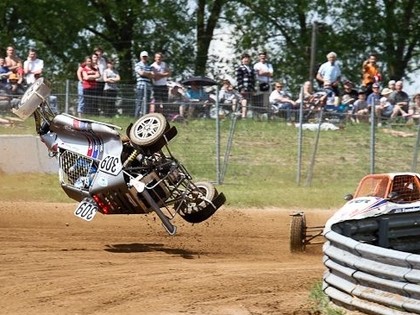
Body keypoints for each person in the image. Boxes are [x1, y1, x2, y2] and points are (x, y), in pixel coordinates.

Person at [134, 51, 154, 117]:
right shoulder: (137, 65)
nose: (144, 58)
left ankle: (146, 117)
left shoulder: (149, 66)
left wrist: (145, 73)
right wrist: (148, 73)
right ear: (141, 57)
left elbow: (152, 75)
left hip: (148, 86)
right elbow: (141, 73)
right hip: (140, 86)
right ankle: (136, 117)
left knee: (147, 102)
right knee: (139, 102)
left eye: (145, 57)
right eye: (143, 57)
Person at [236, 53, 256, 118]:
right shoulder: (240, 68)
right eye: (244, 58)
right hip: (243, 88)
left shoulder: (251, 69)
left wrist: (253, 89)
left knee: (247, 102)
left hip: (250, 88)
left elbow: (253, 80)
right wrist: (241, 88)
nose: (246, 60)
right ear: (242, 60)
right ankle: (243, 116)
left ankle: (243, 115)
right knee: (244, 100)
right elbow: (239, 79)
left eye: (247, 58)